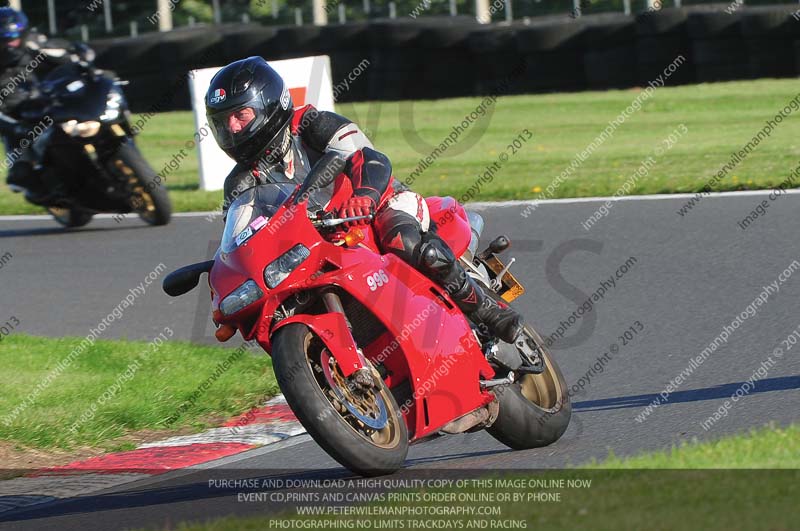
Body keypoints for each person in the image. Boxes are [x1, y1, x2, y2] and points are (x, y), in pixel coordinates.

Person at [206, 57, 523, 344]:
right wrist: (229, 285)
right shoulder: (240, 182)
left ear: (270, 105)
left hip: (380, 206)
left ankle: (488, 311)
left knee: (406, 243)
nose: (233, 129)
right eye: (223, 122)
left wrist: (365, 197)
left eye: (241, 115)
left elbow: (368, 157)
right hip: (318, 245)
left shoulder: (311, 124)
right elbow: (239, 239)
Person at [0, 7, 89, 201]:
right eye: (6, 40)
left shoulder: (34, 43)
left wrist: (80, 58)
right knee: (20, 168)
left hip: (49, 98)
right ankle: (28, 173)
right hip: (16, 113)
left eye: (15, 38)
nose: (12, 44)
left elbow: (63, 52)